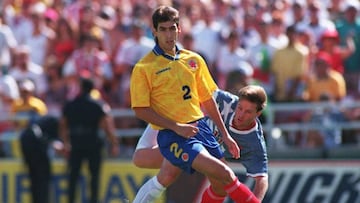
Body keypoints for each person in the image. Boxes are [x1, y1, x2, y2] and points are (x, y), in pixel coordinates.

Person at [130, 5, 259, 203]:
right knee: (225, 173)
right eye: (163, 29)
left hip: (200, 128)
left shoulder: (194, 60)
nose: (168, 34)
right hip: (173, 133)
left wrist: (225, 135)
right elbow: (140, 109)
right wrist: (175, 127)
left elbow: (207, 99)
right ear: (154, 31)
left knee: (219, 185)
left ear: (179, 29)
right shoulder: (144, 67)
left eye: (172, 28)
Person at [133, 85, 269, 201]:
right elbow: (192, 95)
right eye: (240, 108)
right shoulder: (225, 101)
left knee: (221, 185)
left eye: (248, 112)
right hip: (185, 131)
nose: (240, 114)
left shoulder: (254, 141)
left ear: (258, 114)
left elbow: (262, 178)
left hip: (204, 149)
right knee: (144, 162)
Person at [59, 77, 119, 203]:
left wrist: (65, 143)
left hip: (76, 143)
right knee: (94, 177)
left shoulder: (71, 104)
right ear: (92, 89)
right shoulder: (98, 105)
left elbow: (63, 125)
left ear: (80, 88)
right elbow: (107, 127)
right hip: (93, 143)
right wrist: (114, 144)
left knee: (73, 177)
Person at [20, 115, 62, 203]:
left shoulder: (46, 122)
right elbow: (52, 142)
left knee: (35, 180)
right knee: (42, 180)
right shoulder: (54, 122)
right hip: (34, 146)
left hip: (27, 141)